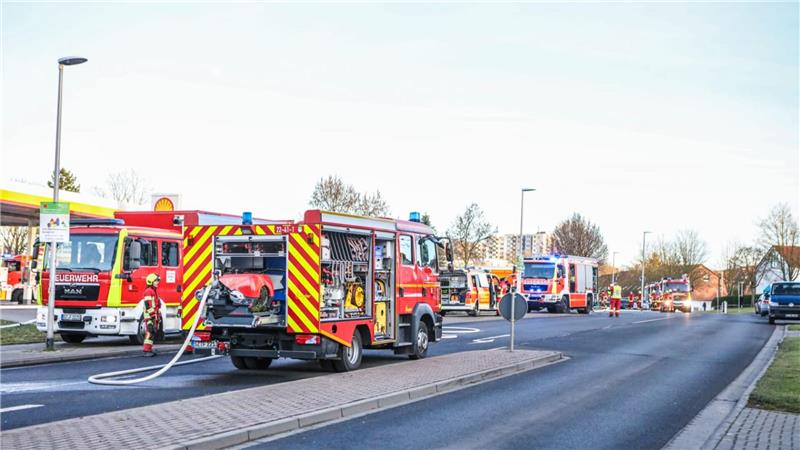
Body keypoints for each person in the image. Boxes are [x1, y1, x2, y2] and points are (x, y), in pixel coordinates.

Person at [142, 273, 162, 357]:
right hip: (150, 317)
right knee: (149, 332)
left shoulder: (153, 291)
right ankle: (146, 350)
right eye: (156, 281)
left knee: (152, 333)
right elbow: (148, 305)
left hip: (153, 316)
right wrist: (153, 315)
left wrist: (157, 316)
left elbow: (156, 305)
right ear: (151, 281)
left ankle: (149, 349)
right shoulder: (149, 291)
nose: (157, 282)